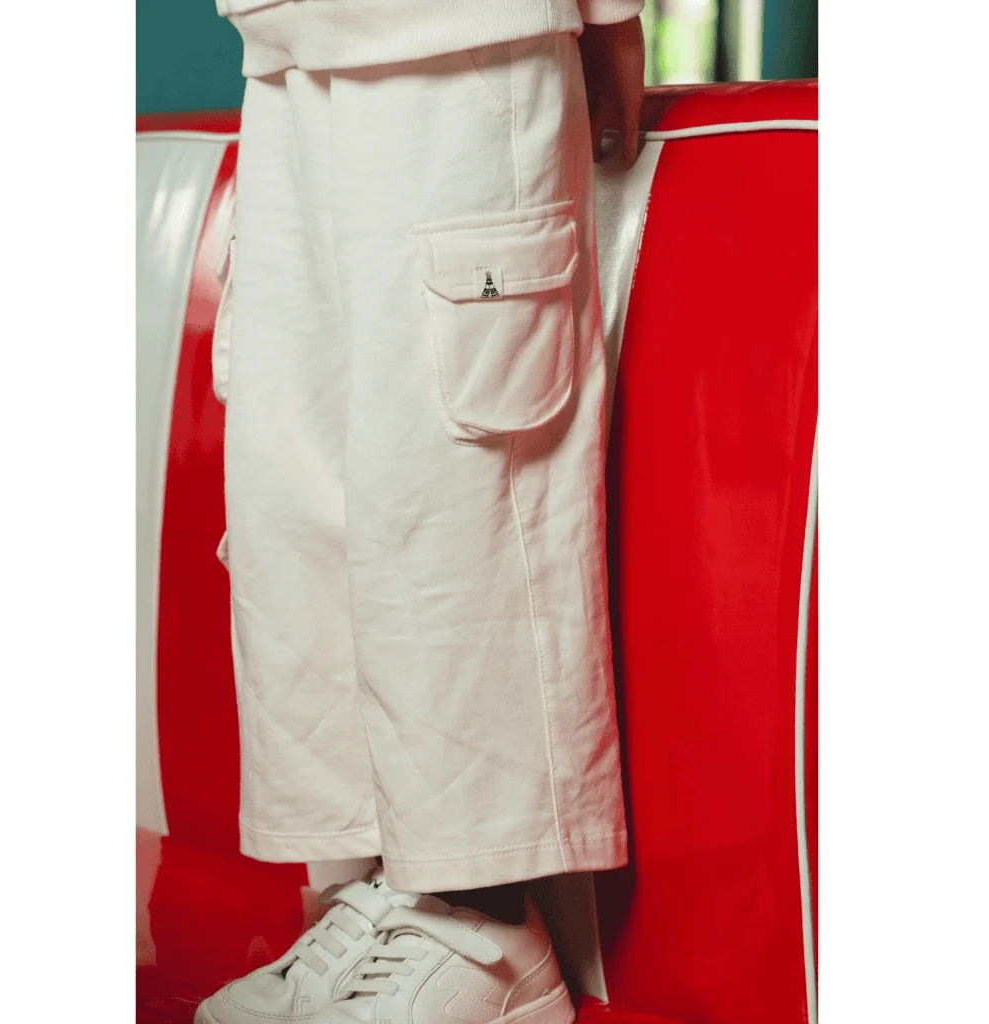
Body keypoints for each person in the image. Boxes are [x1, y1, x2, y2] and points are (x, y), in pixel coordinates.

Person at [197, 3, 645, 1023]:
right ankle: (387, 891)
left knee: (453, 491)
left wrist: (610, 13)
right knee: (304, 488)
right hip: (286, 49)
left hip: (460, 39)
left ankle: (487, 925)